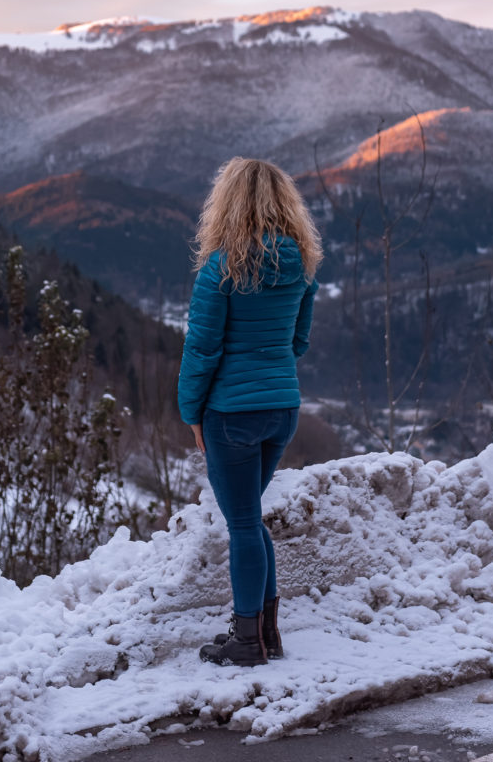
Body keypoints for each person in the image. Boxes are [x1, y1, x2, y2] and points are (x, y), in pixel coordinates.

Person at [178, 157, 322, 667]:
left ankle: (246, 643)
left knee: (242, 524)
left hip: (230, 415)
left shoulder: (221, 267)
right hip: (282, 408)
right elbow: (297, 341)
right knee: (249, 519)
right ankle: (265, 634)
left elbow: (202, 349)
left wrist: (191, 411)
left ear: (228, 203)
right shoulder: (302, 265)